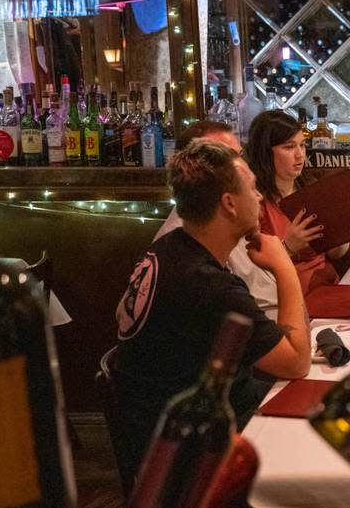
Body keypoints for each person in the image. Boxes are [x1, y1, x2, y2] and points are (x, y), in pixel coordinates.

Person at [114, 139, 311, 482]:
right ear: (229, 204)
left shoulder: (169, 247)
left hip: (168, 431)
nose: (261, 198)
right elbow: (296, 362)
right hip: (198, 455)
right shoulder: (207, 286)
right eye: (253, 189)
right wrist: (284, 266)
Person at [154, 120, 279, 319]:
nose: (241, 167)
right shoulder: (191, 252)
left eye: (239, 155)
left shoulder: (226, 222)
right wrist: (285, 267)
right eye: (222, 159)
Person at [246, 110, 350, 296]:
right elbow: (250, 273)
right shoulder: (254, 202)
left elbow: (336, 255)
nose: (300, 156)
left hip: (330, 290)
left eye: (302, 146)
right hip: (287, 299)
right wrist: (288, 247)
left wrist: (340, 235)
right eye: (289, 147)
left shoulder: (310, 189)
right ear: (265, 152)